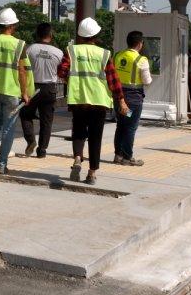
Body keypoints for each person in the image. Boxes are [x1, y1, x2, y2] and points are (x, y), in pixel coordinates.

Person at [61, 16, 127, 185]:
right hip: (99, 101)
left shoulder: (72, 51)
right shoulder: (104, 54)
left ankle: (77, 158)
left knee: (78, 131)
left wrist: (71, 81)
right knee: (95, 137)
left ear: (80, 36)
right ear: (96, 35)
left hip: (79, 98)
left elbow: (62, 71)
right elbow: (113, 79)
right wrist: (120, 100)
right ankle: (91, 174)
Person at [0, 7, 30, 174]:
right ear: (13, 25)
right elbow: (22, 71)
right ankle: (2, 164)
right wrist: (25, 92)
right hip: (11, 92)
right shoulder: (19, 44)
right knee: (8, 128)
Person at [18, 22, 63, 158]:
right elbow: (62, 71)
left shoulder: (29, 50)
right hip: (50, 89)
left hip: (32, 87)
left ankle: (31, 140)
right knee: (46, 120)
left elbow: (22, 70)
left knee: (25, 114)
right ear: (51, 35)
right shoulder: (58, 53)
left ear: (37, 34)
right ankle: (42, 150)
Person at [112, 30, 152, 166]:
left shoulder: (117, 55)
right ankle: (127, 157)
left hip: (118, 99)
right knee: (130, 127)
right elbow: (147, 81)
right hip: (133, 100)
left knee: (121, 125)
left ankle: (118, 155)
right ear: (140, 44)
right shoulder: (141, 60)